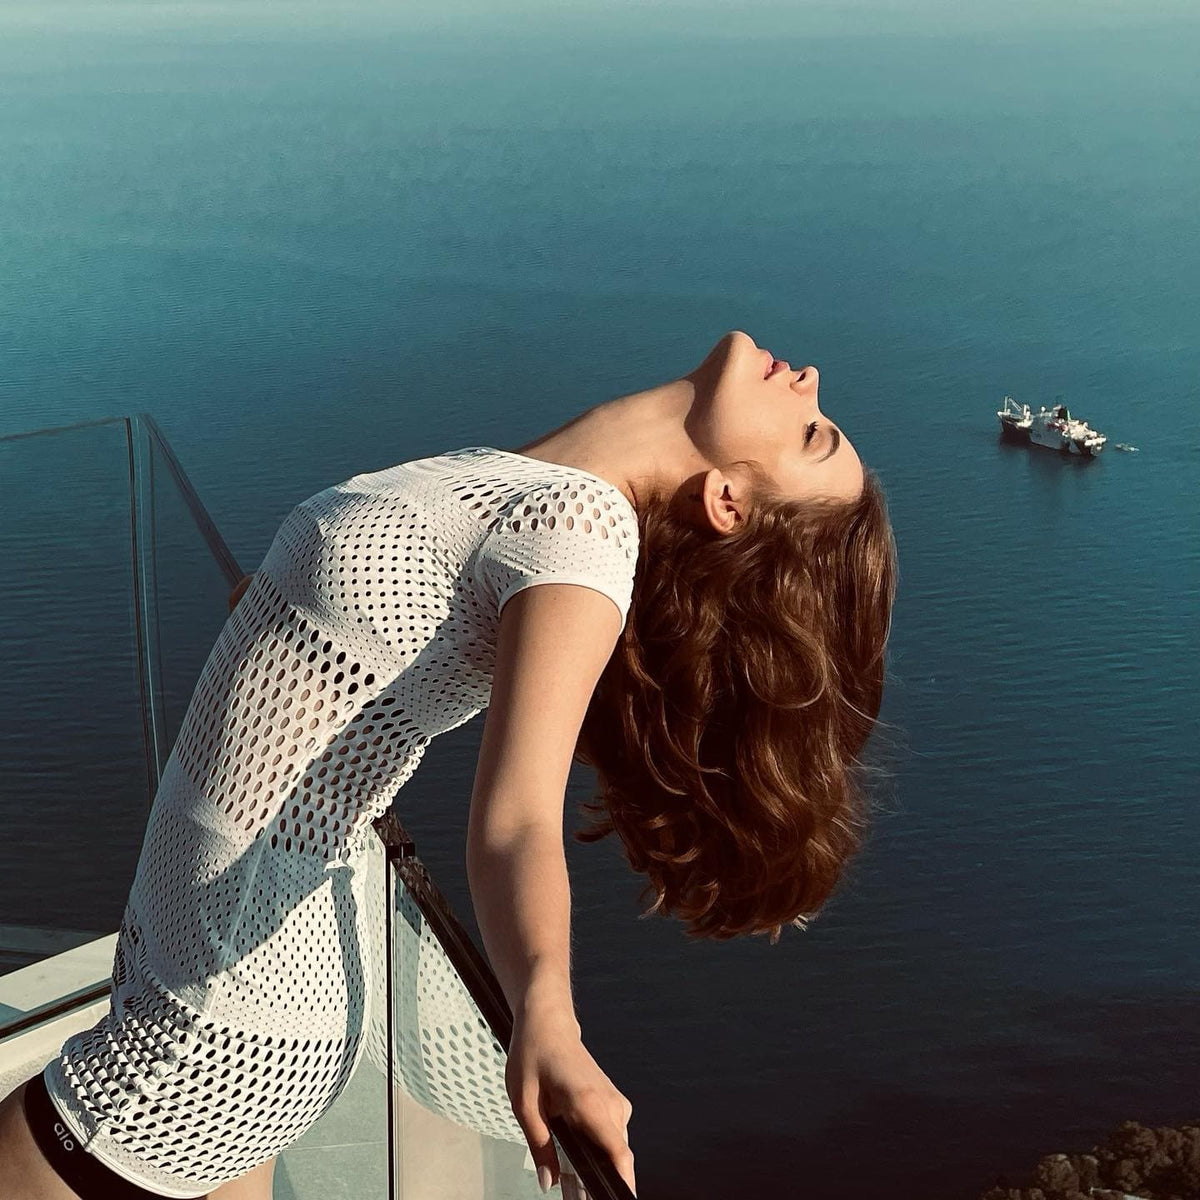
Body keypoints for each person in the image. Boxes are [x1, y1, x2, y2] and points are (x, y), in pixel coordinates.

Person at [0, 328, 897, 1200]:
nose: (811, 379)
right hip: (225, 965)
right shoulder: (542, 488)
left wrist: (546, 1014)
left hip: (228, 1005)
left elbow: (515, 820)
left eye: (813, 435)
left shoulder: (581, 529)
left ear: (730, 503)